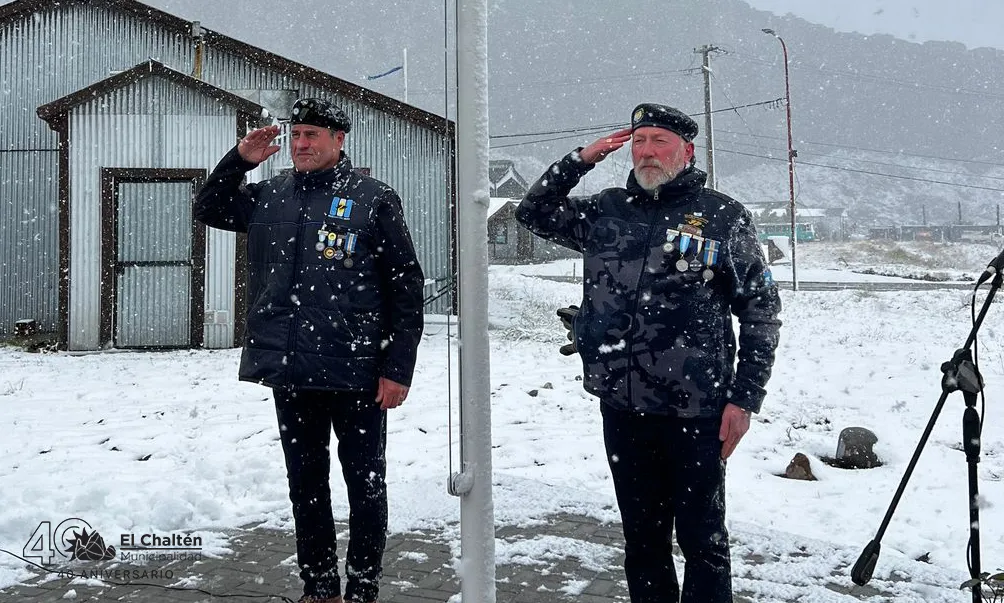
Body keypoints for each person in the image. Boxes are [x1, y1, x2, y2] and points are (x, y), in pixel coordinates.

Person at [515, 103, 782, 603]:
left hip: (697, 408)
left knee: (703, 543)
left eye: (659, 141)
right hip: (622, 404)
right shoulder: (607, 210)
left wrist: (744, 400)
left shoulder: (722, 216)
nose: (647, 151)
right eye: (639, 141)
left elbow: (761, 312)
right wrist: (580, 159)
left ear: (687, 150)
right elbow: (533, 213)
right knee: (642, 541)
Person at [194, 98, 425, 603]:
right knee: (306, 485)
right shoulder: (269, 196)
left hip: (357, 371)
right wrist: (239, 160)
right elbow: (208, 207)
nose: (301, 144)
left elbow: (405, 285)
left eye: (312, 135)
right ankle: (320, 588)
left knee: (365, 486)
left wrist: (397, 367)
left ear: (338, 140)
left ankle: (363, 588)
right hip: (291, 368)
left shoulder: (372, 198)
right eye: (296, 135)